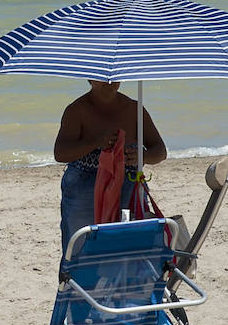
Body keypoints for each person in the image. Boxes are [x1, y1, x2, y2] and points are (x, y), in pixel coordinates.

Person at [53, 80, 167, 250]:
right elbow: (61, 153)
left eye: (115, 78)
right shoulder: (77, 110)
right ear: (90, 79)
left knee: (128, 244)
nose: (110, 82)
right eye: (102, 78)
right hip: (84, 186)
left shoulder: (133, 109)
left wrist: (142, 156)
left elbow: (160, 151)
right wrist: (95, 142)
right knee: (80, 246)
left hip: (128, 184)